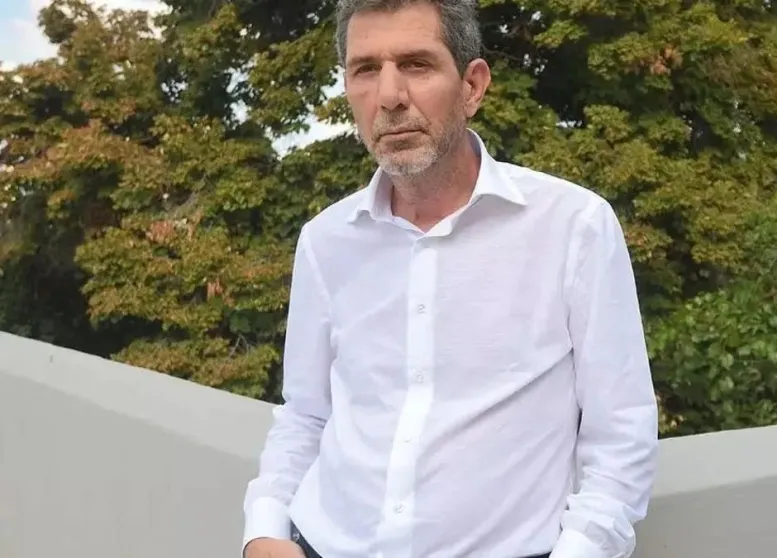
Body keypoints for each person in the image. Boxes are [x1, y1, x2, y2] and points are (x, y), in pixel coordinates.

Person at [241, 0, 659, 557]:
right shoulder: (326, 240)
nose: (390, 95)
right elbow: (305, 414)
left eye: (416, 64)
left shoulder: (573, 227)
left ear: (472, 86)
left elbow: (621, 433)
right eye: (366, 69)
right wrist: (265, 530)